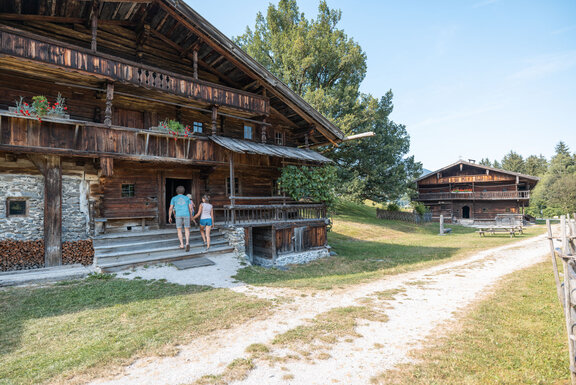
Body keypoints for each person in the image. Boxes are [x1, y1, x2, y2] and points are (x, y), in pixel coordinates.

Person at [168, 186, 194, 251]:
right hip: (186, 214)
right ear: (183, 191)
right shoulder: (187, 198)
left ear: (176, 191)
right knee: (187, 229)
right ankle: (187, 243)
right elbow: (190, 208)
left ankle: (182, 244)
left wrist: (169, 216)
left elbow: (171, 208)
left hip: (178, 215)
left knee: (179, 229)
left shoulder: (173, 198)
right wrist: (191, 216)